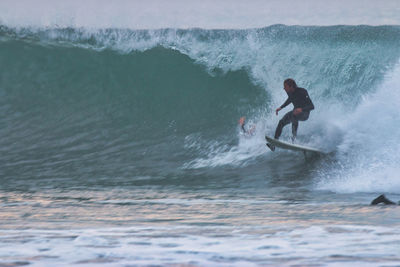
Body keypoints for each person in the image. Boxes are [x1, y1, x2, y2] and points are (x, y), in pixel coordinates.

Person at [267, 79, 314, 151]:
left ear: (291, 86)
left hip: (305, 114)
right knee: (281, 122)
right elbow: (290, 99)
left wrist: (301, 109)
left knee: (294, 116)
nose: (284, 88)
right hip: (294, 113)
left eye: (285, 87)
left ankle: (293, 140)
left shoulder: (302, 91)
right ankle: (273, 144)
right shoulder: (289, 93)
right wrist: (281, 107)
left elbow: (311, 106)